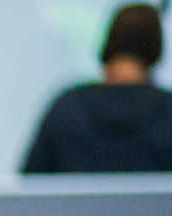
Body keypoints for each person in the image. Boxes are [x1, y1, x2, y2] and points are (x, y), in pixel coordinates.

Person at [23, 3, 172, 173]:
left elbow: (29, 187)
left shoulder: (67, 107)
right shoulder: (168, 111)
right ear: (156, 51)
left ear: (107, 45)